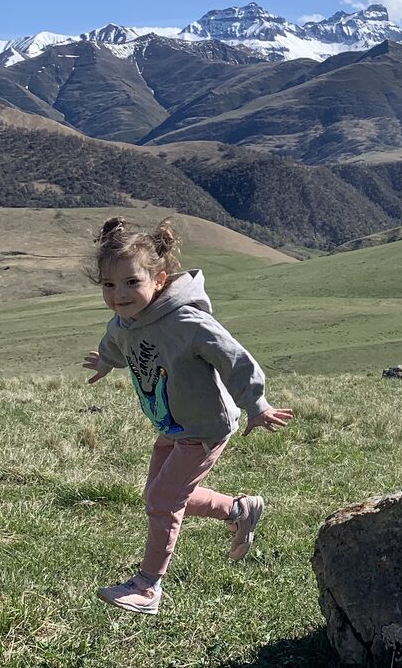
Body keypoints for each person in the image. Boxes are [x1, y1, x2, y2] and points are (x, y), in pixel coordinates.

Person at [80, 216, 292, 615]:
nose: (118, 294)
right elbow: (117, 340)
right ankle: (238, 509)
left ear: (159, 280)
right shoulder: (126, 320)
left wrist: (257, 404)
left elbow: (235, 359)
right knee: (159, 496)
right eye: (108, 285)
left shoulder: (187, 322)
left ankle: (147, 586)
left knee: (163, 501)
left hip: (206, 426)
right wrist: (107, 361)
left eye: (131, 283)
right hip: (173, 424)